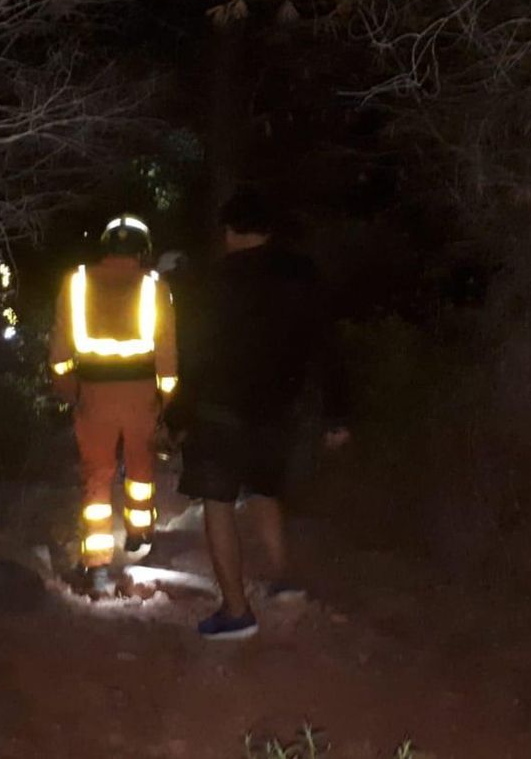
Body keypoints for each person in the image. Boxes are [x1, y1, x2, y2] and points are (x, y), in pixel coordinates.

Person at [167, 187, 349, 639]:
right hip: (277, 410)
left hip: (219, 410)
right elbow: (327, 344)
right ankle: (284, 579)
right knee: (267, 491)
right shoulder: (302, 275)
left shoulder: (211, 282)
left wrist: (178, 417)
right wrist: (338, 412)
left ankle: (236, 611)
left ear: (230, 231)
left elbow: (193, 356)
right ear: (269, 231)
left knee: (219, 502)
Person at [49, 214, 179, 593]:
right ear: (143, 250)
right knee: (142, 464)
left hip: (92, 393)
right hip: (142, 394)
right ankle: (140, 535)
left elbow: (59, 349)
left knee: (96, 477)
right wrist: (166, 399)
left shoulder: (76, 284)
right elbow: (167, 348)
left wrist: (69, 391)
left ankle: (97, 566)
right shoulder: (154, 286)